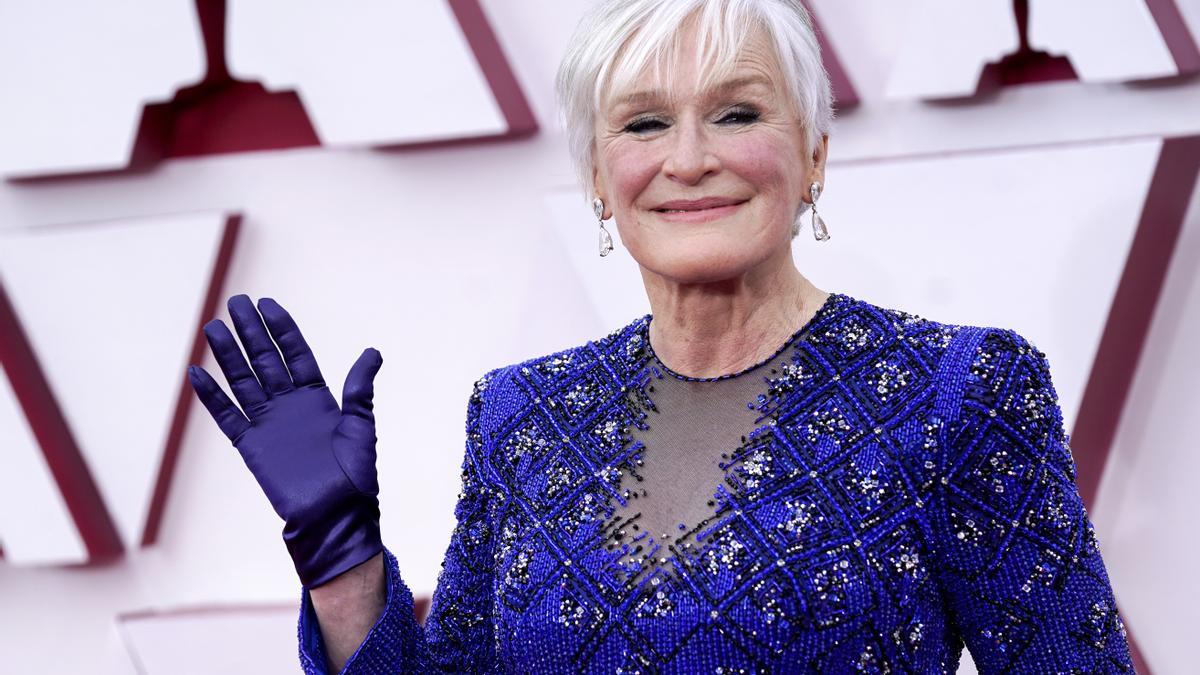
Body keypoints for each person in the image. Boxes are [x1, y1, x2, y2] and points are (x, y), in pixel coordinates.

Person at [187, 0, 1136, 672]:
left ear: (813, 154)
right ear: (600, 178)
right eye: (644, 122)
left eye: (737, 112)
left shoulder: (957, 391)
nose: (690, 158)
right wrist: (341, 558)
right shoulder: (522, 414)